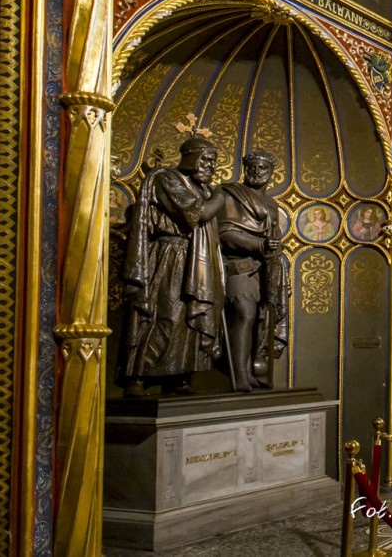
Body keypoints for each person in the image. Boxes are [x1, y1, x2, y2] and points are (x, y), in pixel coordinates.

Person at [119, 135, 225, 396]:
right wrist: (219, 196)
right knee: (162, 314)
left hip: (193, 257)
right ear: (191, 157)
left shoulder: (198, 188)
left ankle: (178, 376)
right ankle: (138, 376)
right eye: (206, 160)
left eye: (213, 162)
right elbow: (198, 214)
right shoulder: (166, 179)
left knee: (185, 320)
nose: (211, 167)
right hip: (168, 255)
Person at [212, 152, 288, 390]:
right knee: (244, 314)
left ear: (271, 173)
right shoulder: (229, 194)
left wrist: (274, 247)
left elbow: (273, 235)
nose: (257, 172)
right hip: (237, 266)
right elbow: (225, 233)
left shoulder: (272, 204)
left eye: (263, 168)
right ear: (245, 168)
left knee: (259, 322)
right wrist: (259, 244)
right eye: (252, 167)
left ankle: (248, 372)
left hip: (264, 270)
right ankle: (238, 375)